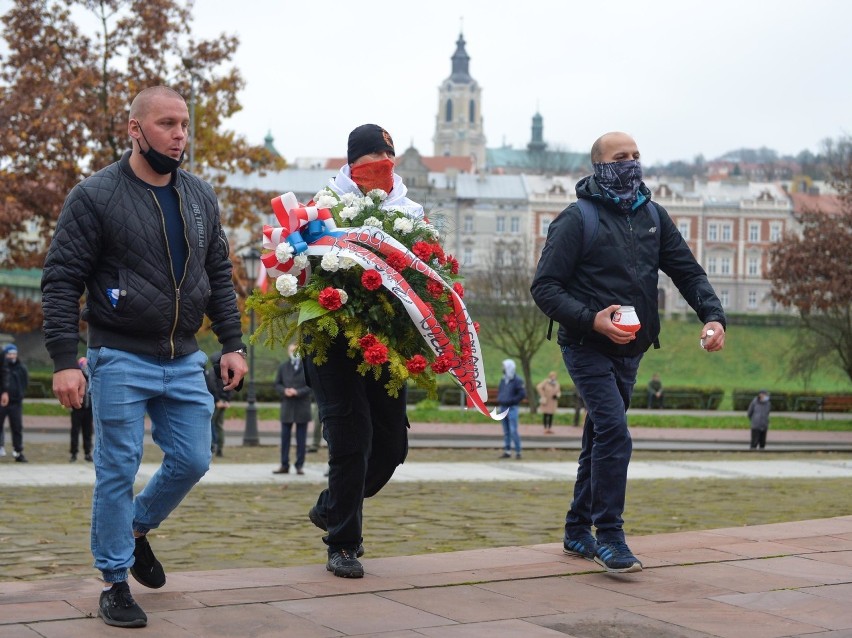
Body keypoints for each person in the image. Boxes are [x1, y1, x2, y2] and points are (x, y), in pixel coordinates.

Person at [41, 85, 247, 628]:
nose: (180, 134)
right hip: (119, 354)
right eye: (167, 124)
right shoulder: (95, 196)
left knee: (195, 459)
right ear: (136, 130)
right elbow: (61, 280)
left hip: (183, 356)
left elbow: (218, 275)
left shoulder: (201, 196)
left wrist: (233, 343)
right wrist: (65, 359)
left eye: (184, 124)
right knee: (117, 467)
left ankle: (134, 530)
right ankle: (113, 581)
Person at [531, 131, 726, 574]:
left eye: (637, 155)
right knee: (614, 431)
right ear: (600, 165)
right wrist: (591, 318)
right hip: (585, 345)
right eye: (622, 157)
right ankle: (610, 537)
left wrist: (713, 316)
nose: (632, 163)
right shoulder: (576, 219)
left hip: (632, 348)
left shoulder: (653, 215)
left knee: (600, 435)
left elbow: (687, 272)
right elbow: (545, 288)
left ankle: (577, 529)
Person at [304, 124, 421, 579]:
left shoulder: (409, 212)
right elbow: (303, 263)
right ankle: (344, 544)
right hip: (332, 340)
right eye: (371, 160)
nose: (381, 168)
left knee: (391, 446)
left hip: (383, 340)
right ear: (352, 163)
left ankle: (331, 506)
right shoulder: (325, 206)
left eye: (388, 159)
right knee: (351, 442)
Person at [273, 343, 311, 475]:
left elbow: (311, 386)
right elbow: (277, 384)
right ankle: (284, 464)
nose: (293, 352)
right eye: (291, 350)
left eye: (296, 350)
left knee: (301, 439)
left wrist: (298, 392)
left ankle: (299, 465)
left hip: (302, 407)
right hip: (287, 407)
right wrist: (285, 391)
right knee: (285, 438)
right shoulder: (283, 366)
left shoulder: (307, 367)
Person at [0, 344, 29, 463]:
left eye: (14, 353)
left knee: (17, 427)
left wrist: (20, 394)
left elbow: (25, 382)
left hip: (16, 402)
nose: (12, 356)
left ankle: (18, 451)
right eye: (9, 353)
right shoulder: (3, 367)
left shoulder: (21, 368)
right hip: (2, 402)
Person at [204, 352, 232, 458]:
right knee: (219, 425)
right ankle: (219, 448)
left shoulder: (211, 372)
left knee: (210, 423)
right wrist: (227, 400)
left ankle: (212, 446)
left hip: (216, 402)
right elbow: (231, 386)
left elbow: (212, 387)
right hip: (223, 402)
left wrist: (218, 400)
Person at [497, 359, 526, 458]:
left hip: (512, 408)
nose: (502, 369)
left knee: (513, 430)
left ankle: (518, 452)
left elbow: (522, 394)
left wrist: (512, 401)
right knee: (506, 431)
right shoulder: (503, 379)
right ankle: (507, 450)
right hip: (503, 407)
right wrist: (500, 398)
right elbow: (501, 390)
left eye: (504, 367)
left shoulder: (517, 380)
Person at [69, 357, 93, 462]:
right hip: (77, 409)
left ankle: (87, 453)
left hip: (89, 409)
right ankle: (73, 453)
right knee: (75, 431)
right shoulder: (76, 379)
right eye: (83, 366)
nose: (85, 368)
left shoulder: (92, 378)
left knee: (88, 431)